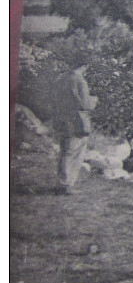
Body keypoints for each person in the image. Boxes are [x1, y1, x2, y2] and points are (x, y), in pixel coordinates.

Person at [51, 55, 98, 195]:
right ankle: (68, 184)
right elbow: (85, 104)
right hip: (78, 121)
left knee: (65, 152)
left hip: (63, 120)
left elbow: (54, 99)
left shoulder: (61, 79)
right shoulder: (80, 81)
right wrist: (94, 100)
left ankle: (62, 183)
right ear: (84, 66)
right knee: (76, 153)